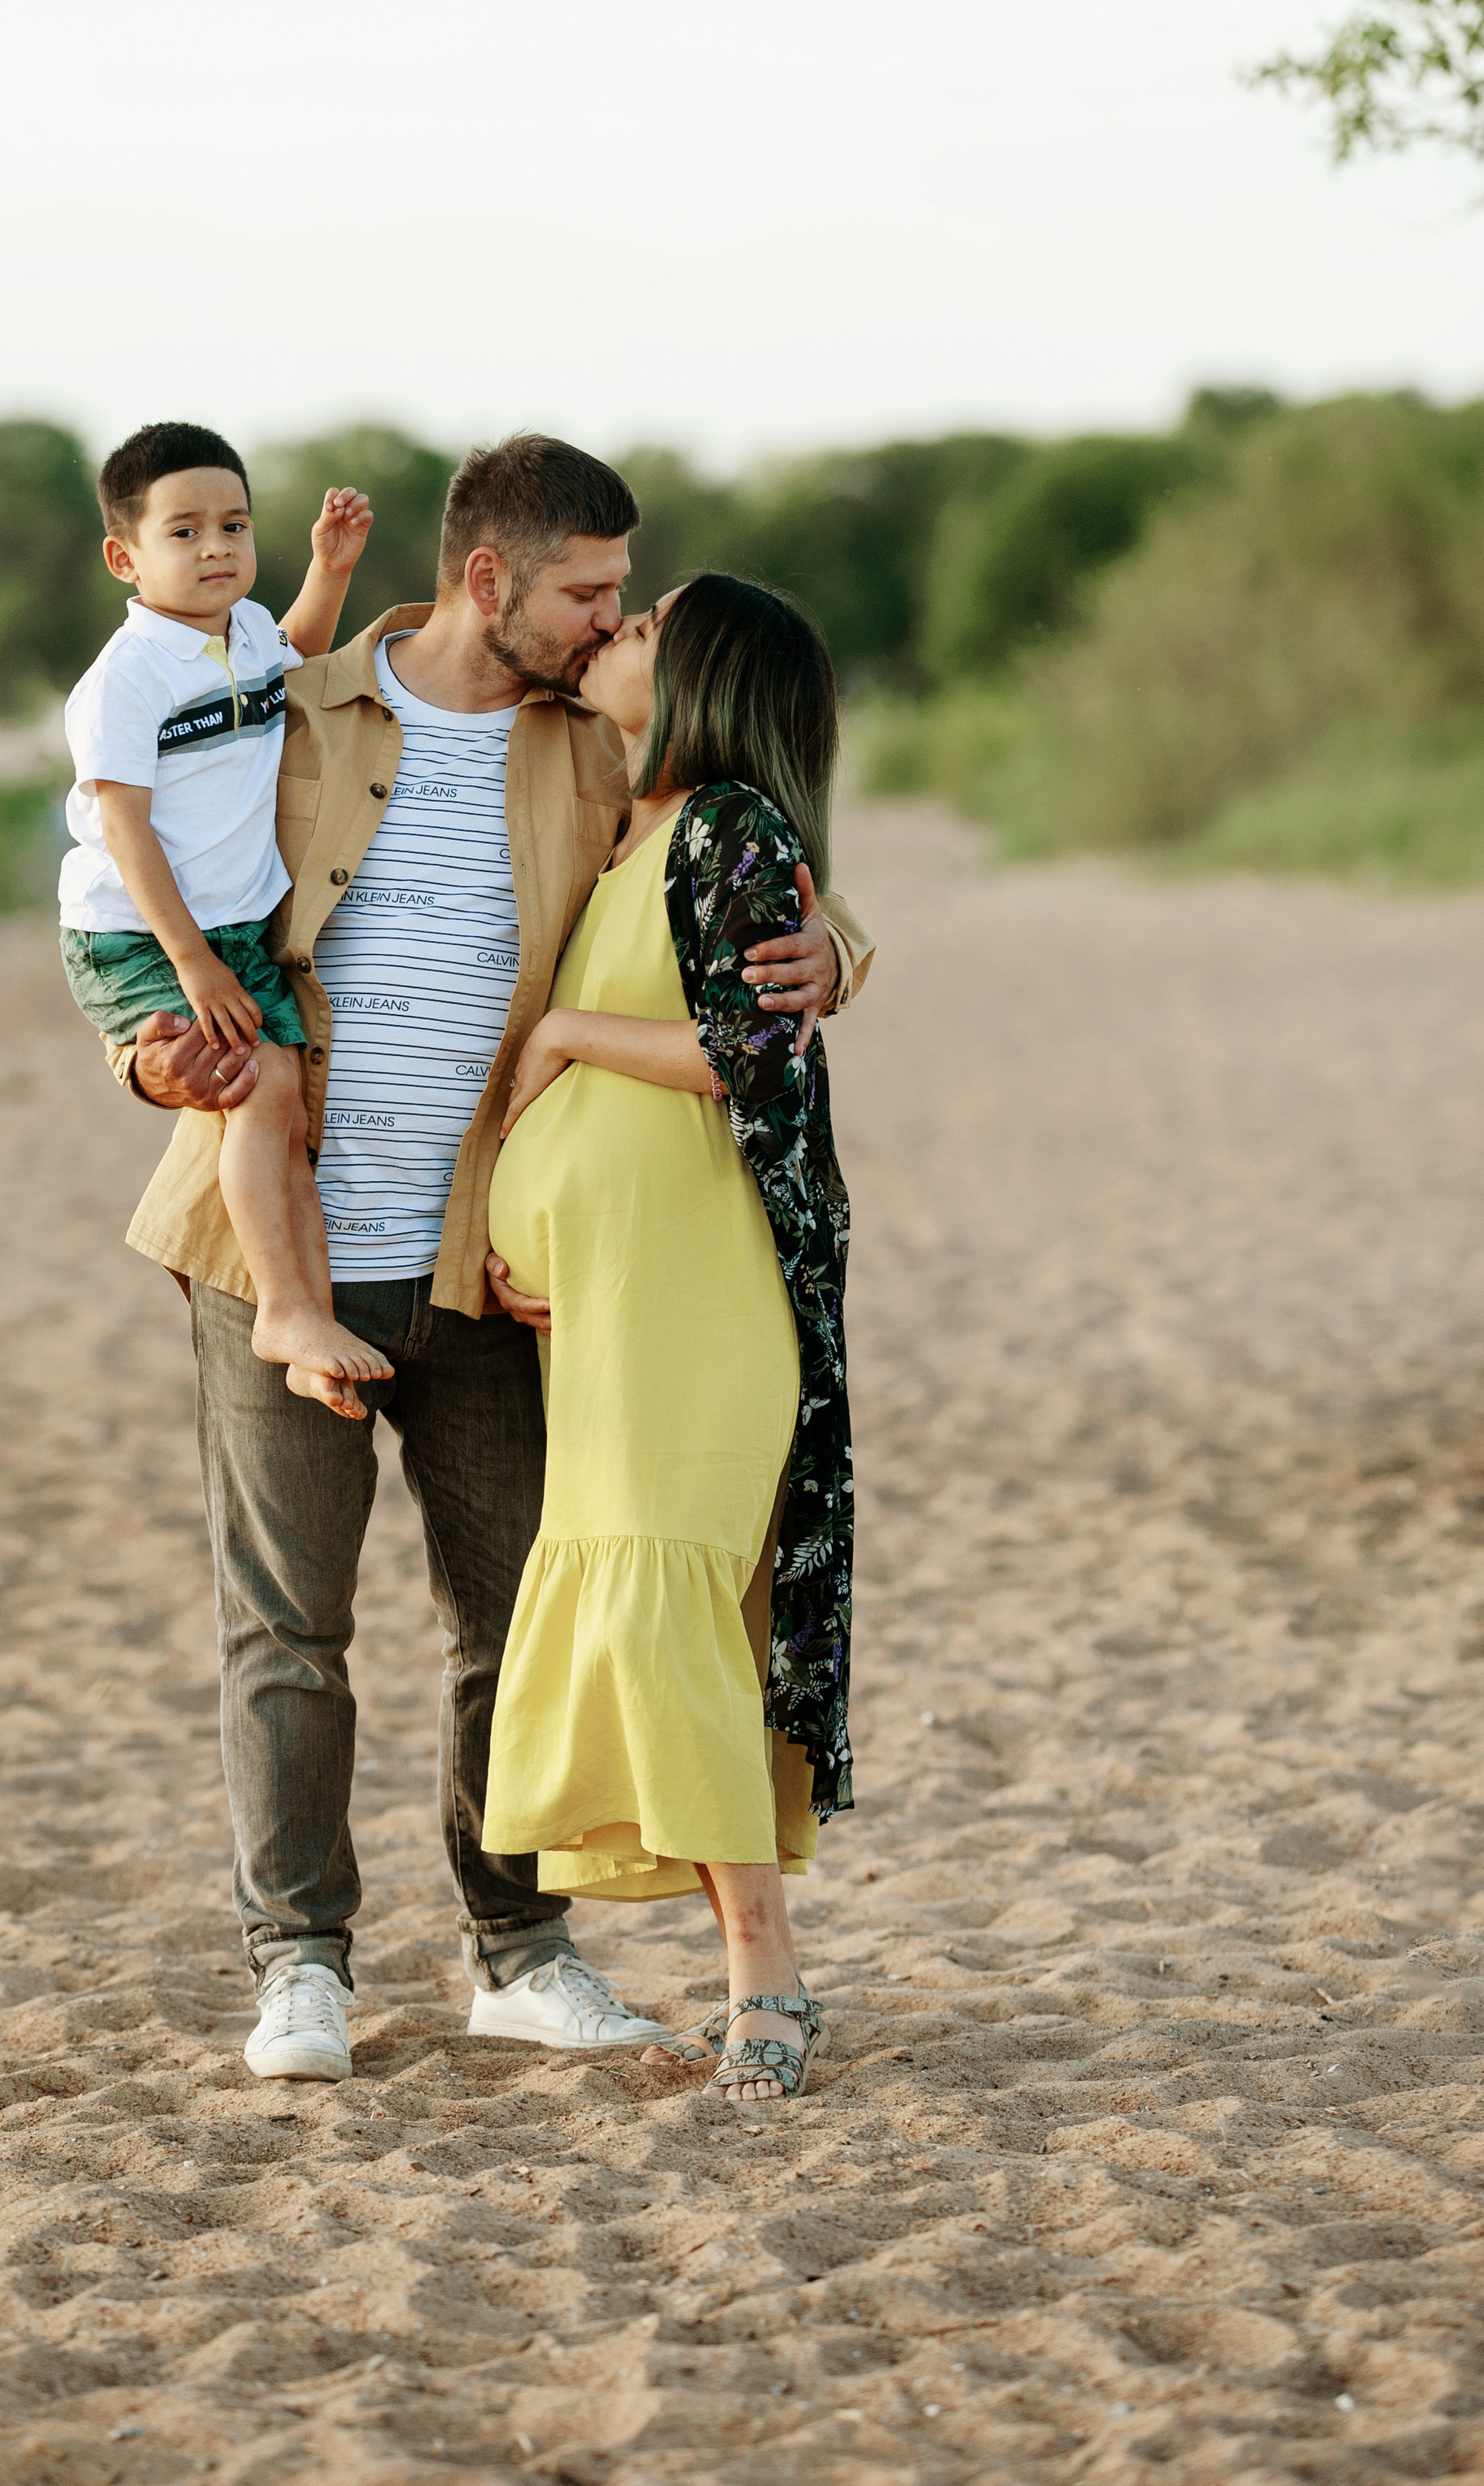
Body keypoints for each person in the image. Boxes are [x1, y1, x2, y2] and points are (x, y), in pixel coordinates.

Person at [107, 439, 873, 2084]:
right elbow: (138, 888)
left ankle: (518, 1953)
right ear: (484, 579)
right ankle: (298, 1967)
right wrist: (147, 1054)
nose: (608, 622)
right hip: (278, 1246)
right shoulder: (287, 707)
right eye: (587, 592)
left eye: (622, 598)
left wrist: (840, 950)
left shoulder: (592, 743)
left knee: (514, 1615)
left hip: (483, 1271)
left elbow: (739, 857)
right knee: (286, 1628)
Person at [480, 573, 854, 2104]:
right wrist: (526, 1214)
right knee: (657, 1623)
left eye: (647, 625)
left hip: (699, 1287)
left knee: (667, 1614)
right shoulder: (628, 821)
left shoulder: (728, 825)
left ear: (700, 673)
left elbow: (749, 1052)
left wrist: (563, 1041)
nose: (618, 632)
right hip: (612, 1302)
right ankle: (754, 1964)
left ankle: (767, 1973)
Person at [59, 421, 390, 1408]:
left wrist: (330, 570)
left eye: (234, 525)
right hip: (139, 934)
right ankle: (282, 1309)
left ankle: (306, 1324)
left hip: (232, 931)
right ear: (124, 556)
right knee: (261, 1088)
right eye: (185, 531)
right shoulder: (127, 677)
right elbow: (123, 830)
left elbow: (297, 656)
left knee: (286, 1110)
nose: (215, 548)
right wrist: (193, 964)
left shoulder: (246, 632)